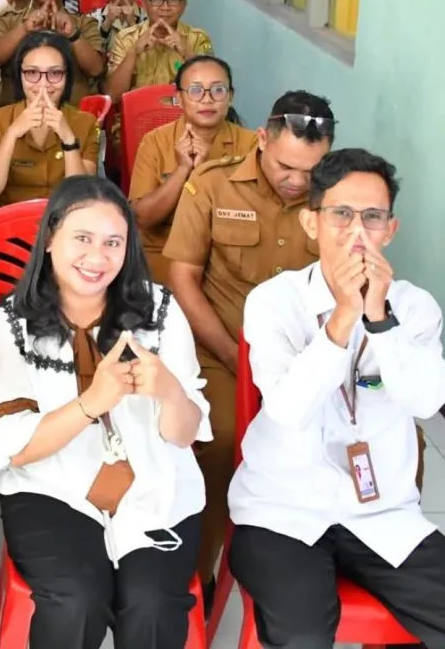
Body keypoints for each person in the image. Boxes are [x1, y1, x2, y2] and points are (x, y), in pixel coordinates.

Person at [0, 175, 210, 648]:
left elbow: (184, 435)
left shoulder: (160, 310)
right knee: (76, 600)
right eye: (82, 239)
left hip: (155, 484)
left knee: (152, 603)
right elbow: (16, 449)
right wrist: (91, 403)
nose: (97, 257)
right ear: (50, 239)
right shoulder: (13, 323)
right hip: (50, 488)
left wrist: (171, 393)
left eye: (113, 243)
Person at [230, 148, 445, 647]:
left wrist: (379, 319)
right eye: (341, 214)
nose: (357, 232)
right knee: (302, 632)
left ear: (390, 230)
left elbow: (424, 402)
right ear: (311, 223)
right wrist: (344, 317)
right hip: (281, 512)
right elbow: (288, 410)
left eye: (373, 217)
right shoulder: (274, 301)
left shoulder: (414, 308)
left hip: (382, 515)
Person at [163, 91, 334, 593]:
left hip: (308, 358)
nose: (298, 181)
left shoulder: (336, 199)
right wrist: (234, 356)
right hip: (221, 349)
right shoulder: (212, 185)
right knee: (217, 439)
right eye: (286, 166)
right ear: (262, 139)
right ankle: (197, 576)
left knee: (369, 443)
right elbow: (182, 279)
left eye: (311, 171)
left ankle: (348, 566)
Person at [129, 56, 256, 282]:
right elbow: (142, 218)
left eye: (218, 90)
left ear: (230, 97)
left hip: (226, 262)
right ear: (179, 98)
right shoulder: (155, 142)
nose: (207, 99)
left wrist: (204, 172)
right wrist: (182, 171)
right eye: (196, 90)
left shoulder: (251, 145)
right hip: (164, 258)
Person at [0, 32, 99, 208]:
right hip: (10, 220)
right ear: (19, 75)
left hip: (64, 220)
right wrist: (11, 134)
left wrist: (68, 140)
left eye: (55, 73)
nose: (43, 84)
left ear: (67, 77)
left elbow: (81, 201)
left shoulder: (86, 123)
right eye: (32, 73)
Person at [106, 0, 213, 103]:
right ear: (144, 4)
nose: (165, 7)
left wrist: (186, 52)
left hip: (182, 114)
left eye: (173, 0)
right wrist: (133, 52)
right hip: (137, 113)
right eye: (156, 0)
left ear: (184, 5)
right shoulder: (126, 38)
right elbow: (113, 96)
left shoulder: (198, 38)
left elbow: (210, 92)